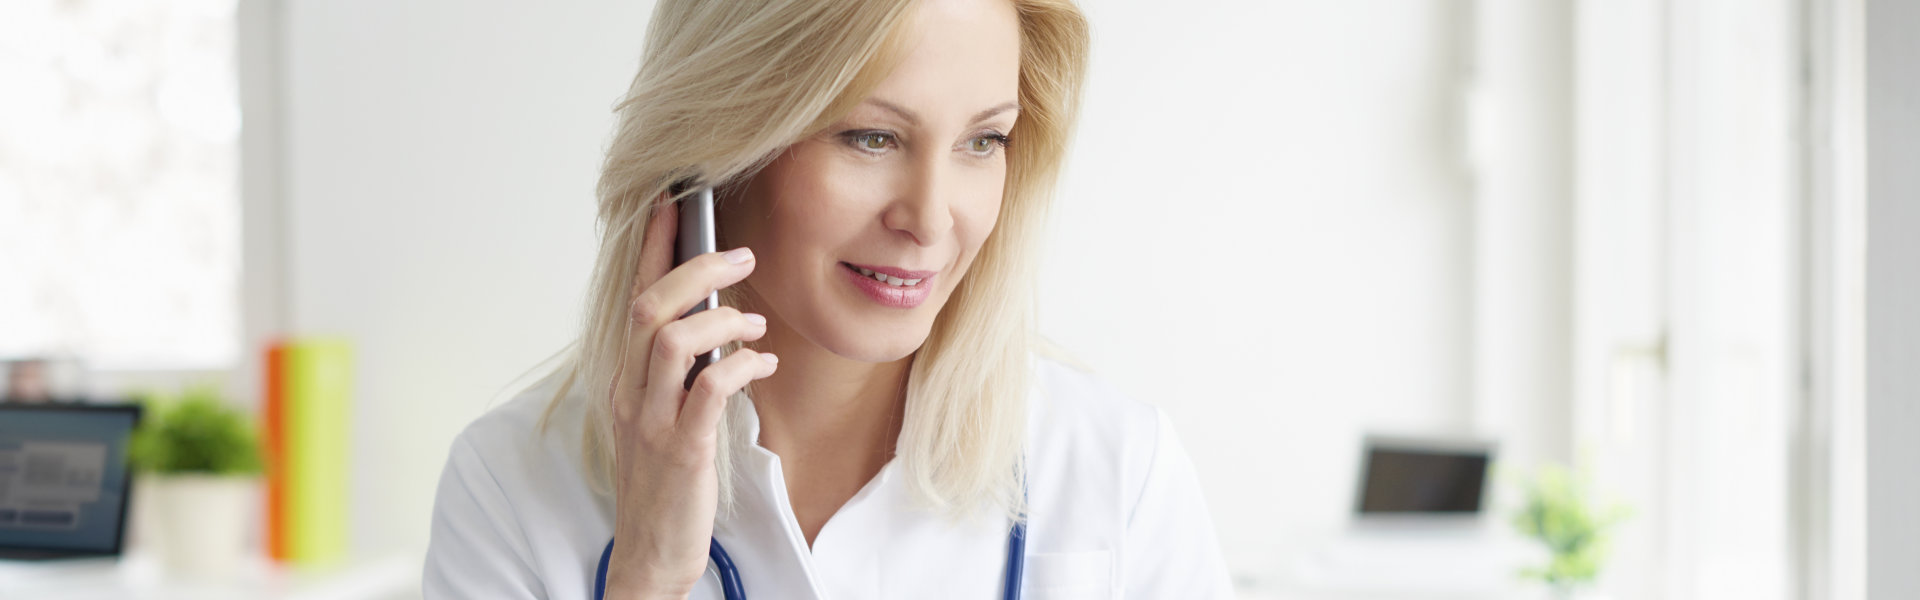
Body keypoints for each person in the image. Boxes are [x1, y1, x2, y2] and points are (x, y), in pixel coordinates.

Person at [423, 0, 1232, 597]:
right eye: (870, 137)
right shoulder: (509, 485)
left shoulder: (1118, 470)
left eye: (983, 141)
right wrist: (651, 572)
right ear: (716, 151)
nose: (929, 218)